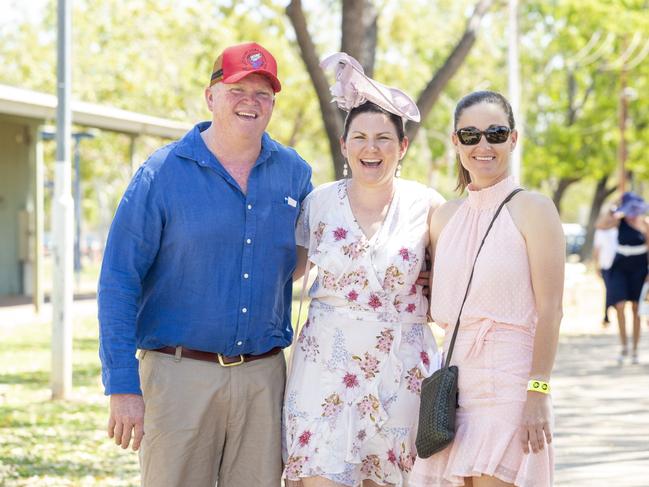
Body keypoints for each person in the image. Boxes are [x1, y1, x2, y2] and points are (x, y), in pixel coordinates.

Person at [97, 42, 312, 487]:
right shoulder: (161, 174)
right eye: (238, 89)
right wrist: (122, 385)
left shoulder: (295, 173)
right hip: (178, 378)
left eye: (263, 93)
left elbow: (321, 249)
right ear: (210, 96)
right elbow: (119, 281)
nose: (250, 102)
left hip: (264, 379)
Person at [282, 52, 444, 487]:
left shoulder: (426, 205)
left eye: (384, 138)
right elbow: (286, 272)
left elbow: (455, 282)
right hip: (327, 369)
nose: (371, 148)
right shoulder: (318, 203)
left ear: (402, 146)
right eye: (360, 137)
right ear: (344, 145)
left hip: (403, 370)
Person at [410, 90, 565, 487]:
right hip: (453, 391)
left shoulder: (534, 209)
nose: (483, 145)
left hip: (510, 389)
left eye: (496, 134)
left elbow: (550, 310)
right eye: (471, 135)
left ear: (513, 139)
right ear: (455, 142)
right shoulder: (443, 218)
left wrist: (539, 390)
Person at [596, 191, 649, 364]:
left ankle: (634, 350)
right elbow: (600, 225)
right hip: (620, 266)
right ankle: (624, 345)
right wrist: (615, 206)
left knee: (636, 308)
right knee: (619, 305)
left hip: (639, 267)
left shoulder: (645, 224)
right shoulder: (619, 220)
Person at [592, 213, 618, 326]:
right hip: (605, 265)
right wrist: (596, 266)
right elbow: (596, 251)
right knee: (608, 290)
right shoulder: (600, 232)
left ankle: (608, 314)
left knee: (612, 290)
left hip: (617, 265)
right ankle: (607, 314)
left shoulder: (618, 230)